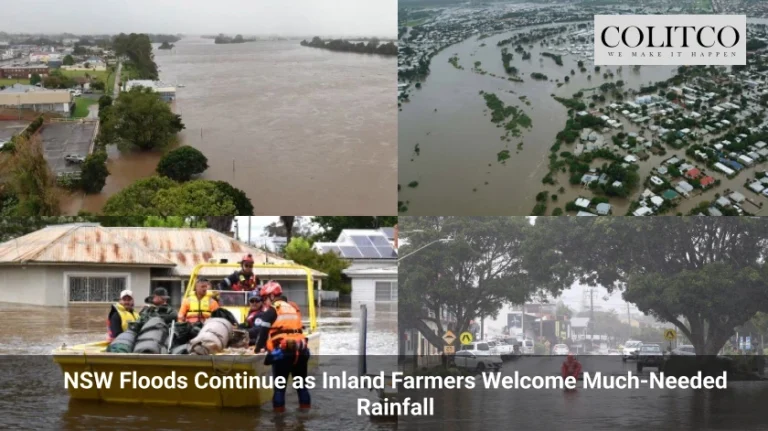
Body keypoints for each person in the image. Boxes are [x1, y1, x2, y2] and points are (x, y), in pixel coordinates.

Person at [257, 281, 310, 412]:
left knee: (280, 388)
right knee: (301, 386)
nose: (264, 302)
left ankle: (279, 420)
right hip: (301, 351)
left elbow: (263, 333)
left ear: (271, 296)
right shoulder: (292, 308)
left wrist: (257, 349)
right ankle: (304, 415)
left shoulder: (272, 310)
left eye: (265, 298)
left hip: (283, 352)